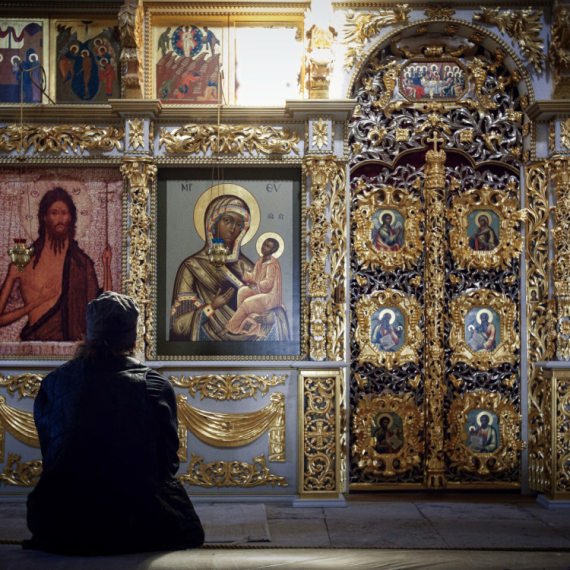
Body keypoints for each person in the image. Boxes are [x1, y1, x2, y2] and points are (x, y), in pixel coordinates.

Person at [26, 292, 205, 554]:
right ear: (133, 339)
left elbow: (52, 456)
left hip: (62, 523)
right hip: (136, 519)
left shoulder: (54, 383)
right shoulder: (153, 384)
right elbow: (167, 463)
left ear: (87, 334)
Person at [170, 194, 290, 342]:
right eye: (227, 220)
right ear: (213, 223)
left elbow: (273, 300)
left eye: (239, 224)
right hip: (207, 342)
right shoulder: (193, 266)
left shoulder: (244, 266)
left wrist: (273, 317)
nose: (233, 228)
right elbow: (178, 326)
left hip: (251, 340)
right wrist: (212, 307)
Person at [0, 187, 110, 341]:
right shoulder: (25, 261)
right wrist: (14, 281)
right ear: (44, 217)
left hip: (73, 349)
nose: (60, 219)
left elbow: (101, 311)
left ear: (71, 218)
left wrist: (106, 267)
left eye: (64, 213)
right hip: (33, 346)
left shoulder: (81, 264)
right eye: (54, 213)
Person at [223, 237, 284, 337]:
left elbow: (268, 284)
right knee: (242, 291)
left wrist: (256, 285)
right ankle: (243, 322)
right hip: (261, 291)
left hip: (270, 296)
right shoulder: (261, 260)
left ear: (273, 250)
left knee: (247, 302)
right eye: (264, 244)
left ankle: (230, 327)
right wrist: (244, 273)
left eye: (268, 246)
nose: (264, 247)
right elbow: (254, 276)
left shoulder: (272, 264)